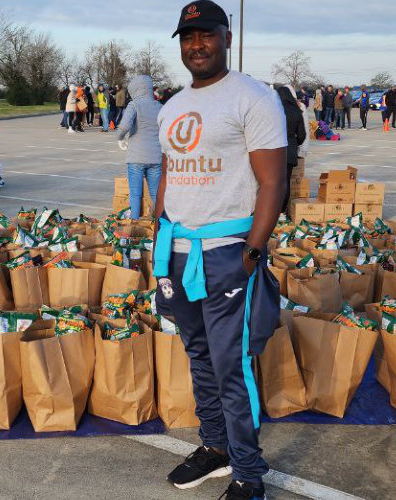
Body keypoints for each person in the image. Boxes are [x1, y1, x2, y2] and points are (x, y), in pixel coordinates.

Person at [153, 2, 285, 499]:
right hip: (178, 251)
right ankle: (215, 447)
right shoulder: (172, 106)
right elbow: (169, 173)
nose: (196, 45)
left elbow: (273, 181)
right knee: (199, 357)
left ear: (226, 37)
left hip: (228, 251)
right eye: (188, 37)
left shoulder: (253, 98)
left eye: (206, 34)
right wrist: (158, 232)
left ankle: (249, 473)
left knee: (233, 366)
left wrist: (252, 252)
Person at [116, 75, 163, 219]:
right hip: (156, 156)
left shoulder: (134, 105)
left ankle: (135, 224)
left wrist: (120, 138)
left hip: (136, 156)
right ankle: (160, 225)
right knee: (156, 194)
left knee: (136, 193)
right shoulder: (160, 107)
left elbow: (124, 126)